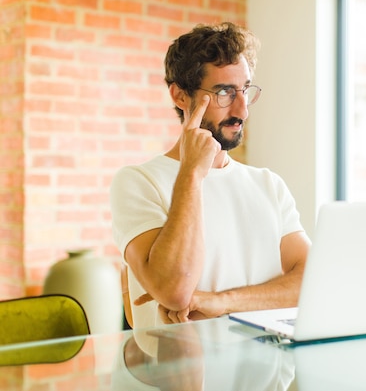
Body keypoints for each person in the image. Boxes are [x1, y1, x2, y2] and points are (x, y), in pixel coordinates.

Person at [110, 22, 310, 330]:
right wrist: (191, 172)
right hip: (176, 375)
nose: (242, 110)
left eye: (245, 89)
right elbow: (175, 292)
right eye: (225, 92)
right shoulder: (137, 182)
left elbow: (312, 281)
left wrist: (222, 302)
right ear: (180, 96)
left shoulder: (268, 184)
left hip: (265, 374)